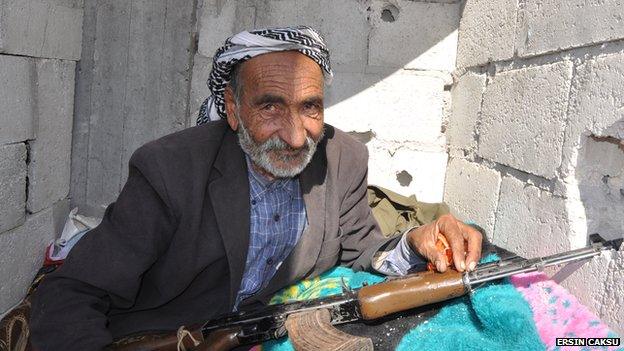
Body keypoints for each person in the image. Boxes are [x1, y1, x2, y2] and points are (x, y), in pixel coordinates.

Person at [30, 26, 482, 350]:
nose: (295, 135)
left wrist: (417, 241)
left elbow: (363, 248)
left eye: (310, 107)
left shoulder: (343, 157)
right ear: (232, 108)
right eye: (270, 106)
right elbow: (73, 292)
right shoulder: (168, 169)